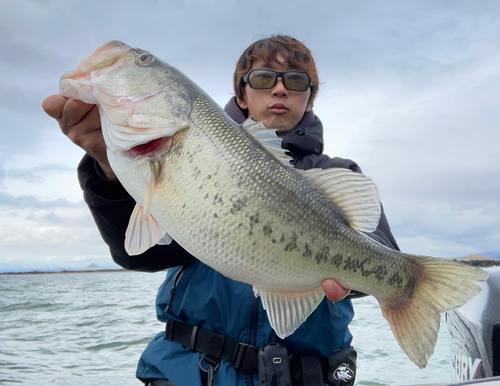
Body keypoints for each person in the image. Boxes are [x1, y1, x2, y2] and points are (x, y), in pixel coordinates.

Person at [42, 35, 399, 386]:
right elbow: (142, 253)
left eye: (295, 80)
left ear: (310, 98)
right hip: (189, 374)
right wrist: (107, 169)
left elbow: (380, 250)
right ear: (241, 95)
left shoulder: (338, 174)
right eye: (262, 79)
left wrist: (349, 277)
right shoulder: (189, 148)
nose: (278, 90)